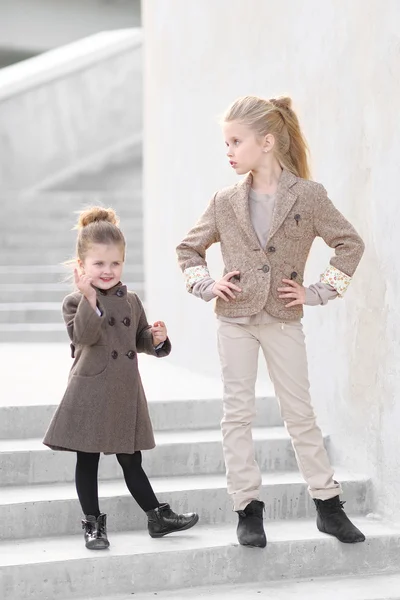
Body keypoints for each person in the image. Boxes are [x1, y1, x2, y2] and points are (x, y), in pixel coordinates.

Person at [176, 95, 365, 548]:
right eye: (226, 142)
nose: (229, 151)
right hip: (236, 320)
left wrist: (318, 292)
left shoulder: (309, 195)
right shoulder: (224, 201)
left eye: (235, 141)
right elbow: (188, 250)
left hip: (283, 319)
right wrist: (207, 284)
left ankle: (328, 505)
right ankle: (247, 509)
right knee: (237, 415)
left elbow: (350, 245)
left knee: (300, 413)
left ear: (266, 141)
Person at [44, 206, 199, 549]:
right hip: (90, 390)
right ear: (82, 267)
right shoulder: (74, 302)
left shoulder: (130, 300)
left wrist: (156, 339)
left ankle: (157, 517)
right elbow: (83, 337)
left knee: (131, 458)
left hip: (125, 391)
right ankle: (93, 526)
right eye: (99, 264)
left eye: (115, 263)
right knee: (88, 459)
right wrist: (89, 298)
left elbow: (137, 340)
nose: (107, 271)